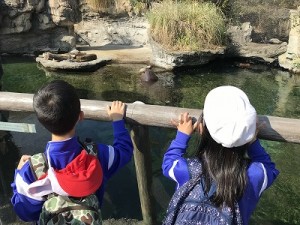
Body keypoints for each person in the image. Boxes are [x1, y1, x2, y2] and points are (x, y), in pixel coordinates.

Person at [11, 80, 134, 222]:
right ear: (80, 116)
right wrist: (117, 120)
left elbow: (24, 213)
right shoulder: (98, 155)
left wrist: (17, 177)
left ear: (42, 122)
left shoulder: (30, 170)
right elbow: (124, 151)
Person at [162, 85, 279, 225]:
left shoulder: (187, 169)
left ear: (201, 128)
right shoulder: (254, 175)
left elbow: (169, 163)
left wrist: (182, 136)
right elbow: (269, 167)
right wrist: (252, 141)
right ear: (251, 133)